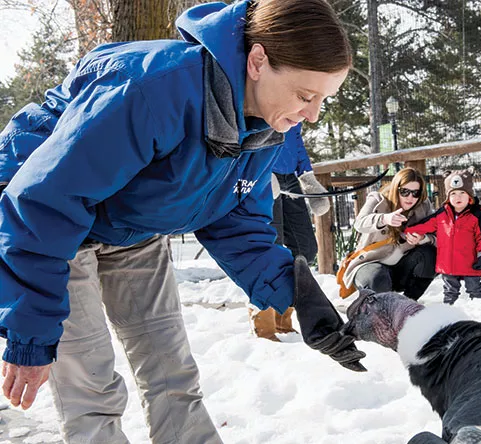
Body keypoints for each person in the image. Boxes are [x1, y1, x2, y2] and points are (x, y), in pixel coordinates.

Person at [0, 1, 365, 443]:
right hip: (49, 224)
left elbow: (236, 223)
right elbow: (44, 202)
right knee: (91, 387)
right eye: (305, 96)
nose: (313, 115)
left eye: (323, 99)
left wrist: (303, 300)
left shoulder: (266, 128)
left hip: (130, 222)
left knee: (172, 374)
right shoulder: (151, 91)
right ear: (257, 61)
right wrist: (31, 333)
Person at [249, 122, 329, 341]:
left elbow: (296, 141)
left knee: (305, 249)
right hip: (264, 172)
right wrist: (258, 167)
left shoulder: (299, 103)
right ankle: (264, 322)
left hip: (289, 177)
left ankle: (284, 314)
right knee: (270, 249)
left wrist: (307, 176)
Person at [341, 167, 438, 301]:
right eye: (405, 192)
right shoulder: (378, 199)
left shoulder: (423, 206)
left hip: (402, 267)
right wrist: (384, 219)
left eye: (415, 193)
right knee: (378, 278)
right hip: (371, 263)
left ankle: (408, 303)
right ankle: (374, 308)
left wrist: (424, 238)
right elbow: (359, 223)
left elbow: (439, 236)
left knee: (430, 254)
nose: (410, 198)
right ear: (396, 189)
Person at [404, 168, 481, 304]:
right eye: (454, 194)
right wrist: (407, 230)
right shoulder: (442, 214)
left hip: (470, 263)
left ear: (469, 195)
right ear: (448, 196)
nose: (458, 197)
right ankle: (449, 313)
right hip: (448, 264)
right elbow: (426, 225)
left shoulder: (477, 215)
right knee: (450, 292)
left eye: (462, 193)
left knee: (475, 290)